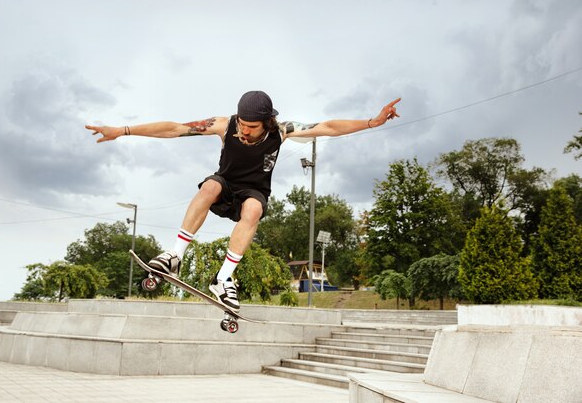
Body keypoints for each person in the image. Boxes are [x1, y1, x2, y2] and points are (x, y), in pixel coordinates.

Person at [86, 91, 400, 311]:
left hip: (254, 192)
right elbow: (174, 128)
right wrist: (123, 130)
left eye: (251, 128)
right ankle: (175, 255)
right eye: (242, 126)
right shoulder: (225, 124)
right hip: (225, 186)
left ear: (266, 123)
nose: (244, 132)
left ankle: (223, 279)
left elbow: (329, 127)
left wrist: (372, 122)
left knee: (254, 208)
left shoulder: (283, 130)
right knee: (209, 186)